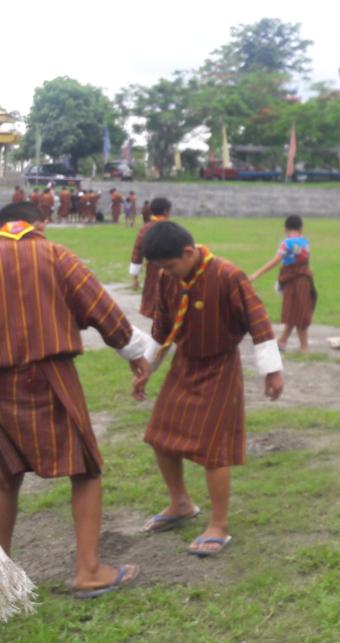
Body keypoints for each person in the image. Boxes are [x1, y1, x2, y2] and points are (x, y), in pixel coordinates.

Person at [0, 201, 153, 598]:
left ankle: (2, 581)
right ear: (38, 224)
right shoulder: (53, 254)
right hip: (47, 376)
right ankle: (89, 571)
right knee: (85, 469)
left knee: (3, 480)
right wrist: (134, 353)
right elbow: (100, 307)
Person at [139, 221, 284, 557]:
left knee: (214, 448)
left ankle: (219, 524)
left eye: (170, 265)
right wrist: (146, 366)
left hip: (220, 367)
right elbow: (162, 325)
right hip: (184, 364)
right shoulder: (166, 277)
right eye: (161, 268)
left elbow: (259, 322)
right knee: (160, 435)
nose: (167, 273)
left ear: (189, 252)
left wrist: (272, 371)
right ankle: (180, 503)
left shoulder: (228, 275)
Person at [248, 215, 316, 353]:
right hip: (305, 282)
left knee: (298, 313)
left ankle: (303, 347)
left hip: (292, 282)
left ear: (285, 228)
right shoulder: (305, 242)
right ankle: (283, 341)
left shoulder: (287, 243)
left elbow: (276, 260)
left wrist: (257, 273)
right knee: (296, 311)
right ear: (301, 228)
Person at [131, 197, 174, 318]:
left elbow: (137, 252)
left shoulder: (146, 228)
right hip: (172, 271)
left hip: (152, 271)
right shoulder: (171, 228)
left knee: (153, 303)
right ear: (166, 211)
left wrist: (134, 277)